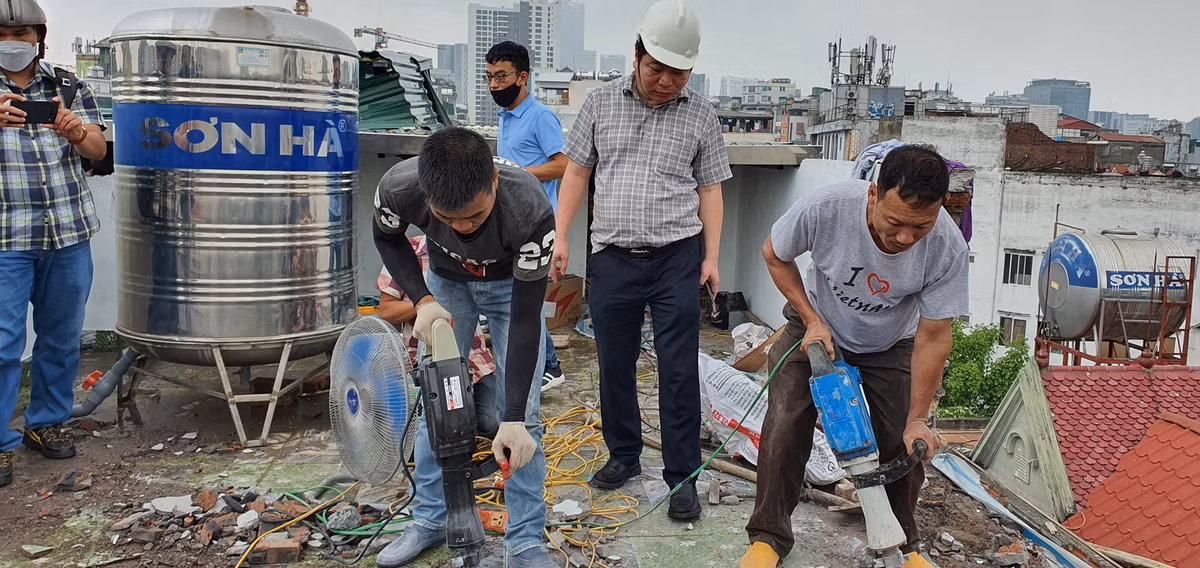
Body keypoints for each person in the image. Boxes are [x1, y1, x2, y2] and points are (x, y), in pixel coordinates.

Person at [739, 145, 968, 568]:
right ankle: (768, 537)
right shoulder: (828, 208)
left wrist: (918, 418)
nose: (905, 238)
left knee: (902, 441)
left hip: (892, 342)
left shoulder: (947, 248)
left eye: (920, 226)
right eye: (895, 222)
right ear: (873, 195)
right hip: (815, 325)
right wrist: (811, 319)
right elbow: (774, 254)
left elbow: (935, 336)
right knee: (785, 422)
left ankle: (906, 546)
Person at [553, 0, 730, 521]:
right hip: (613, 257)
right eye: (657, 69)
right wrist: (560, 236)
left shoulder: (701, 114)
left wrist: (712, 256)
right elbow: (577, 173)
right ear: (637, 57)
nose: (666, 81)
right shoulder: (600, 103)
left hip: (677, 257)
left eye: (679, 72)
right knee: (614, 363)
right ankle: (624, 454)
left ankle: (683, 476)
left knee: (678, 370)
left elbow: (710, 189)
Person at [373, 127, 556, 568]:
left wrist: (512, 418)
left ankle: (525, 541)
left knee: (523, 420)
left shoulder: (529, 210)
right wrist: (422, 300)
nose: (461, 227)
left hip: (512, 289)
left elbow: (527, 318)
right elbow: (387, 238)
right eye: (448, 218)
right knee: (437, 408)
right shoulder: (399, 188)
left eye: (473, 217)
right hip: (446, 284)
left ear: (493, 181)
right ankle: (430, 519)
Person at [0, 0, 108, 488]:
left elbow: (98, 149)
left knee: (62, 337)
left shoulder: (67, 86)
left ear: (39, 36)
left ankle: (44, 423)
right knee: (3, 345)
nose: (12, 42)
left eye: (21, 33)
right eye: (3, 34)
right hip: (7, 238)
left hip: (67, 234)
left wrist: (76, 130)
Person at [487, 40, 569, 392]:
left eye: (501, 77)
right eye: (489, 77)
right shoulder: (505, 117)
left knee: (527, 300)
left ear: (522, 77)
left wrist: (518, 174)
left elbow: (563, 165)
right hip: (509, 222)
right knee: (518, 300)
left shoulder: (540, 117)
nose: (494, 85)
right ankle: (542, 363)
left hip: (535, 224)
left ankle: (550, 365)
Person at [375, 235, 499, 439]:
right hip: (423, 363)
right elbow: (386, 310)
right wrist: (426, 303)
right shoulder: (407, 251)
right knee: (427, 430)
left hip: (474, 363)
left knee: (493, 422)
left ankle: (463, 420)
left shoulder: (473, 251)